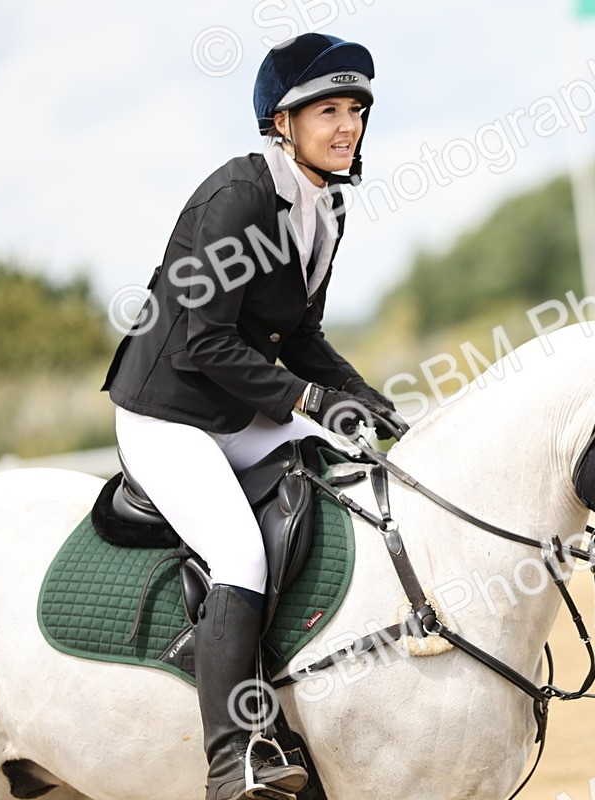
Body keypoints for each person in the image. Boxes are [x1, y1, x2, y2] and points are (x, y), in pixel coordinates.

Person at [101, 33, 401, 800]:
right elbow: (204, 342)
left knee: (361, 470)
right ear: (281, 121)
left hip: (238, 408)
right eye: (327, 110)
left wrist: (363, 400)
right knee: (242, 556)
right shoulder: (238, 198)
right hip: (169, 415)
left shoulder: (324, 203)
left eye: (355, 110)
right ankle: (234, 761)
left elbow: (300, 339)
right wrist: (308, 402)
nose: (346, 127)